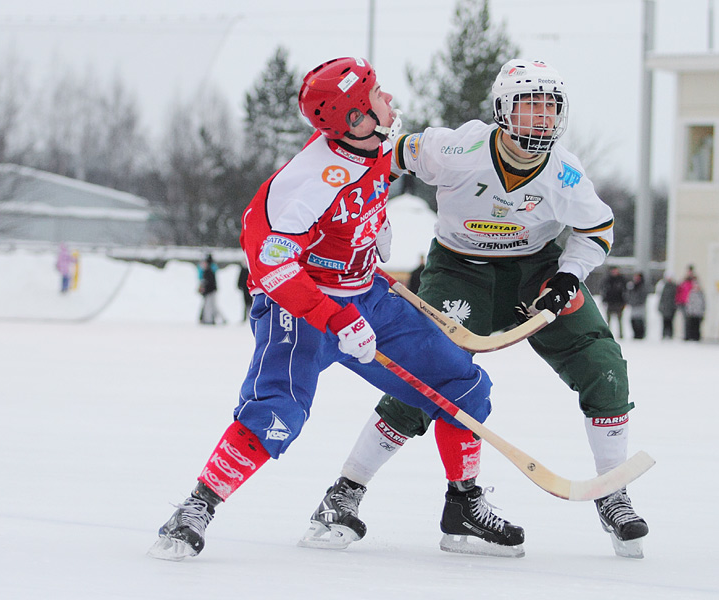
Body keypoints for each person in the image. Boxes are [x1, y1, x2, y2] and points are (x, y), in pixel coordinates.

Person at [148, 57, 517, 561]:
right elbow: (271, 266)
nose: (390, 101)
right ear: (357, 120)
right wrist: (334, 316)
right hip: (299, 307)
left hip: (365, 296)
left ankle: (462, 506)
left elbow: (360, 208)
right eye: (378, 96)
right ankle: (195, 508)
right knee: (277, 413)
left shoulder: (376, 147)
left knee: (462, 385)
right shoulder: (309, 179)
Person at [307, 59, 648, 559]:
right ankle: (345, 492)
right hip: (460, 269)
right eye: (529, 108)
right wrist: (368, 216)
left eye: (550, 110)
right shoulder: (455, 148)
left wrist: (569, 275)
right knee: (428, 379)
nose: (541, 121)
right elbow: (380, 157)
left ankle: (613, 491)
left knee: (604, 365)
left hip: (537, 272)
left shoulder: (565, 173)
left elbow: (596, 230)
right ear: (502, 111)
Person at [601, 265, 628, 339]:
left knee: (620, 320)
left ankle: (621, 334)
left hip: (619, 302)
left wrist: (624, 301)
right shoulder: (608, 280)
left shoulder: (621, 280)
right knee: (608, 320)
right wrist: (604, 299)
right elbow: (604, 291)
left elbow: (625, 291)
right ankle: (608, 334)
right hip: (610, 302)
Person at [197, 254, 223, 325]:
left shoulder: (209, 271)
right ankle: (212, 319)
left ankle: (209, 319)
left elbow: (209, 283)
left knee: (210, 306)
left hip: (210, 292)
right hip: (209, 291)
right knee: (211, 306)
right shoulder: (208, 271)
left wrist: (205, 290)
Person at [625, 271, 648, 340]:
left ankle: (640, 335)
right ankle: (635, 334)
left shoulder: (642, 286)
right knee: (633, 320)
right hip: (633, 305)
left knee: (639, 320)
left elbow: (643, 296)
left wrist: (637, 302)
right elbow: (628, 294)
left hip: (640, 305)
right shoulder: (632, 286)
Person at [675, 266, 695, 340]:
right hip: (684, 303)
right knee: (685, 320)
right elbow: (679, 292)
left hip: (692, 304)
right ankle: (686, 335)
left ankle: (692, 335)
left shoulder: (694, 282)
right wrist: (678, 301)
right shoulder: (683, 282)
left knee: (691, 320)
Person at [657, 273, 677, 340]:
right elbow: (662, 297)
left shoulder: (674, 287)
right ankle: (664, 334)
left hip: (671, 307)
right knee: (664, 322)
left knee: (670, 322)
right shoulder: (664, 286)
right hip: (665, 307)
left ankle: (670, 335)